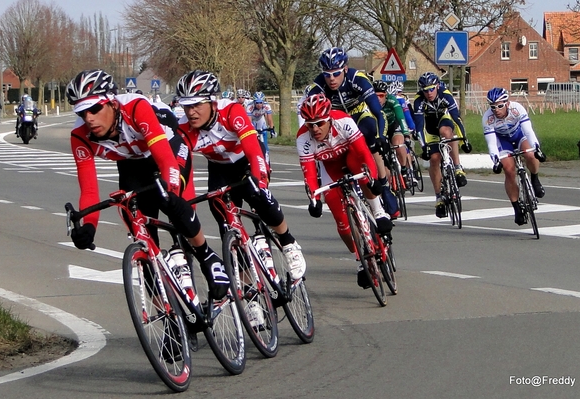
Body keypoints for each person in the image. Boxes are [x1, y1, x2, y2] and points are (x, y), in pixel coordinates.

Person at [65, 69, 229, 300]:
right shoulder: (80, 136)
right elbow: (90, 189)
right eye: (82, 112)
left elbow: (166, 162)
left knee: (170, 199)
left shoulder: (135, 108)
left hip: (167, 148)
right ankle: (168, 319)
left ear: (112, 103)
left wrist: (170, 192)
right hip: (131, 164)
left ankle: (208, 258)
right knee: (139, 229)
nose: (89, 118)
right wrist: (89, 227)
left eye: (94, 109)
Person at [175, 70, 306, 281]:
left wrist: (260, 181)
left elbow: (254, 151)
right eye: (186, 106)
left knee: (258, 195)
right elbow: (181, 167)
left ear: (213, 103)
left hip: (247, 159)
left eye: (197, 105)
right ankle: (249, 293)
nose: (191, 112)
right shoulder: (184, 128)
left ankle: (288, 242)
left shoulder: (232, 112)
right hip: (219, 168)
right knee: (223, 218)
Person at [296, 93, 392, 289]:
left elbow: (364, 153)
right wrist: (314, 199)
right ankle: (360, 260)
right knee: (341, 221)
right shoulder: (303, 139)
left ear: (329, 119)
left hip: (351, 156)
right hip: (329, 167)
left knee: (362, 171)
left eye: (319, 123)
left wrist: (373, 181)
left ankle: (378, 211)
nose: (314, 129)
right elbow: (310, 176)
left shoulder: (344, 121)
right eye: (309, 124)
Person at [308, 47, 395, 217]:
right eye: (327, 74)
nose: (331, 79)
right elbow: (309, 116)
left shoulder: (357, 79)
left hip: (360, 115)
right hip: (338, 122)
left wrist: (381, 137)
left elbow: (378, 112)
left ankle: (383, 185)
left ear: (345, 69)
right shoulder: (318, 85)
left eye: (336, 73)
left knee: (370, 138)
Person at [483, 87, 546, 225]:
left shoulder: (517, 108)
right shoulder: (488, 118)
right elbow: (492, 144)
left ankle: (535, 179)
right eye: (492, 107)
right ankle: (517, 208)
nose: (496, 110)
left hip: (519, 135)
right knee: (509, 170)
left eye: (499, 106)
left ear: (507, 103)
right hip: (503, 141)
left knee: (530, 154)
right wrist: (495, 160)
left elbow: (528, 131)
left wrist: (537, 148)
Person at [412, 72, 471, 218]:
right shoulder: (419, 100)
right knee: (434, 158)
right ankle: (439, 197)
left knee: (446, 132)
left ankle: (457, 168)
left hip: (444, 121)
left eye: (431, 89)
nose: (429, 93)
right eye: (425, 90)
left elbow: (457, 119)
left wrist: (465, 140)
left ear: (437, 86)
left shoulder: (445, 94)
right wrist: (424, 147)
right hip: (430, 128)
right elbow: (419, 126)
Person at [373, 80, 411, 184]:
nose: (378, 99)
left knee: (398, 145)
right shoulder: (370, 103)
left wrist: (406, 134)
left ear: (386, 95)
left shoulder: (392, 100)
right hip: (380, 129)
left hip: (393, 126)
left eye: (381, 95)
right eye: (375, 95)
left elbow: (401, 117)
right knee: (383, 157)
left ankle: (404, 168)